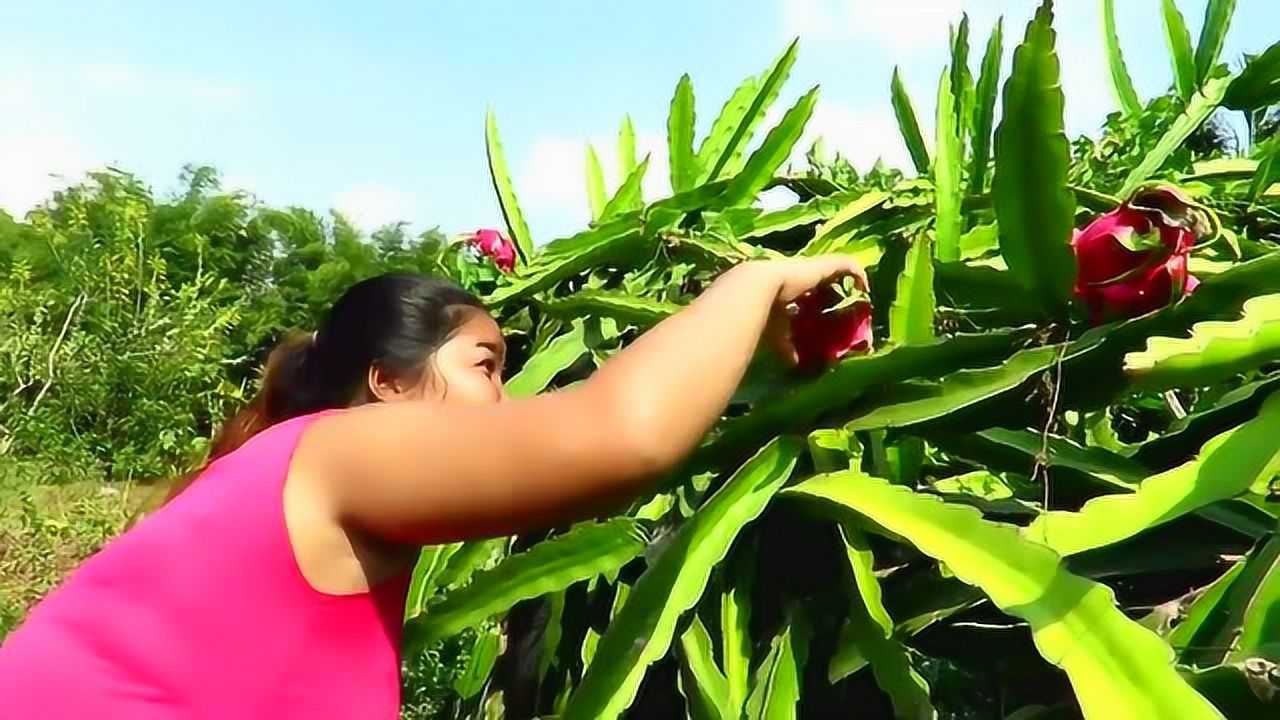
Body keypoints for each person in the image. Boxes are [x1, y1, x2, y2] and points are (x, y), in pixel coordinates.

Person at [0, 255, 865, 718]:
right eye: (486, 365)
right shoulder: (342, 451)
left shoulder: (274, 472)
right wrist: (757, 280)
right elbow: (621, 435)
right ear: (385, 382)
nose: (507, 401)